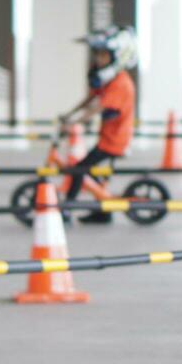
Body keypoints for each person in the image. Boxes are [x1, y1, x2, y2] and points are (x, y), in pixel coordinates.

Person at [57, 26, 137, 223]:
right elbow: (89, 100)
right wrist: (69, 115)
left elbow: (97, 108)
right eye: (97, 55)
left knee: (79, 169)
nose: (98, 60)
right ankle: (103, 212)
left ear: (118, 57)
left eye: (103, 55)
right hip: (107, 138)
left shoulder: (120, 83)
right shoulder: (108, 82)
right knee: (91, 172)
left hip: (115, 141)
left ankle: (67, 208)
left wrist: (75, 123)